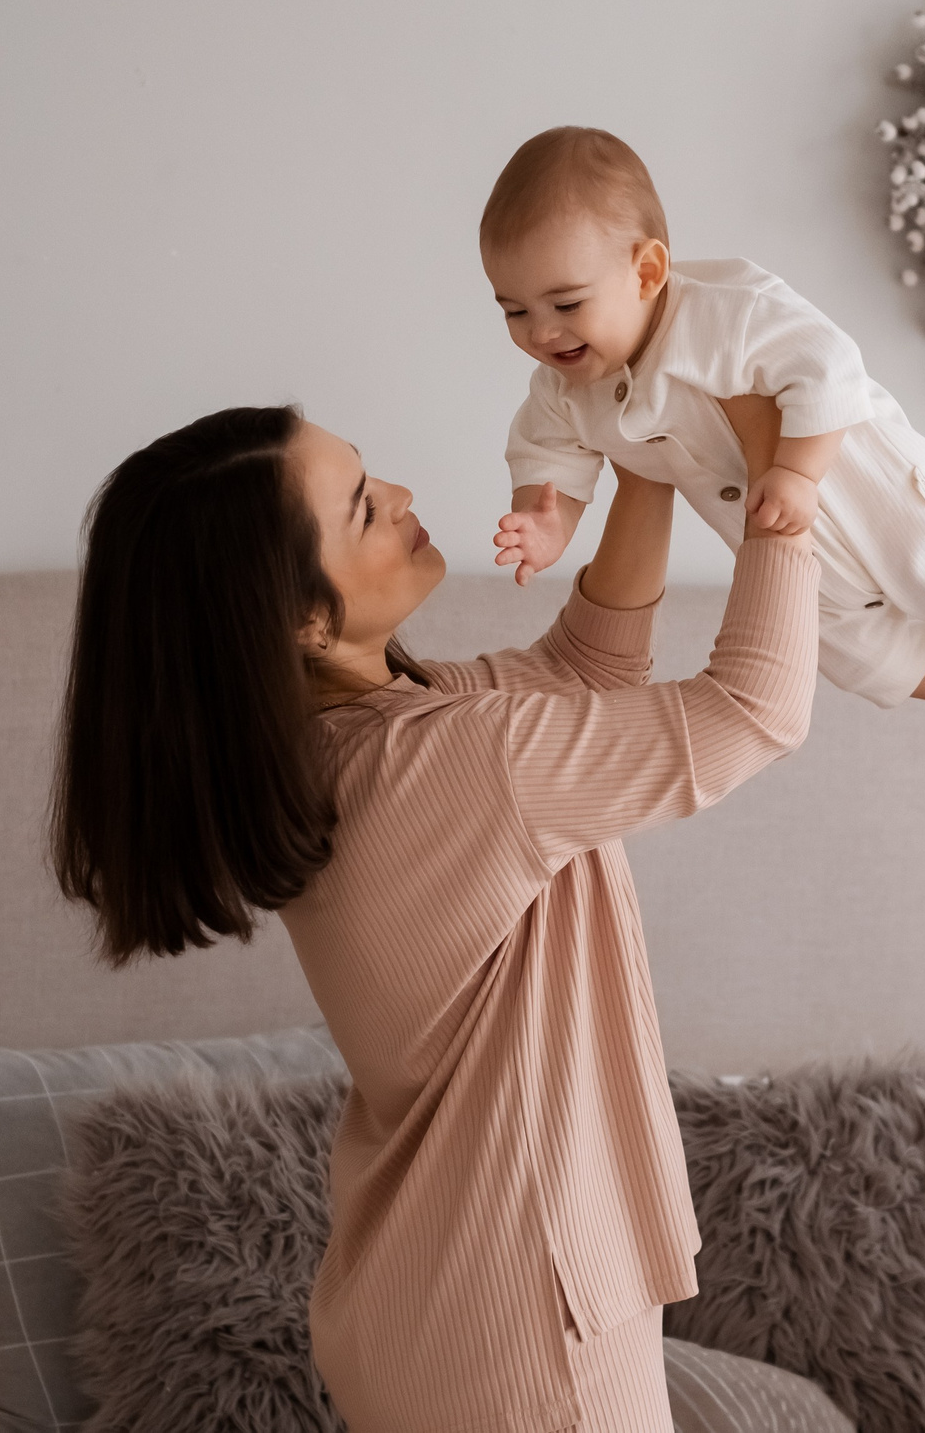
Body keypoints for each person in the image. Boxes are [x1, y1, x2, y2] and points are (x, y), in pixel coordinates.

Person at [51, 404, 820, 1432]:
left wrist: (643, 453)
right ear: (301, 621)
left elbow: (585, 672)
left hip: (435, 1306)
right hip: (527, 1326)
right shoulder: (450, 760)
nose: (404, 499)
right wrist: (787, 494)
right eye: (364, 507)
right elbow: (757, 707)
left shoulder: (355, 747)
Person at [482, 124, 925, 708]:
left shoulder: (722, 313)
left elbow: (827, 362)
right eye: (513, 311)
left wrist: (799, 472)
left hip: (874, 498)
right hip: (790, 548)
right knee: (855, 656)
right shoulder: (562, 392)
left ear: (646, 272)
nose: (541, 332)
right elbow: (547, 456)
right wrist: (550, 524)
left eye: (565, 303)